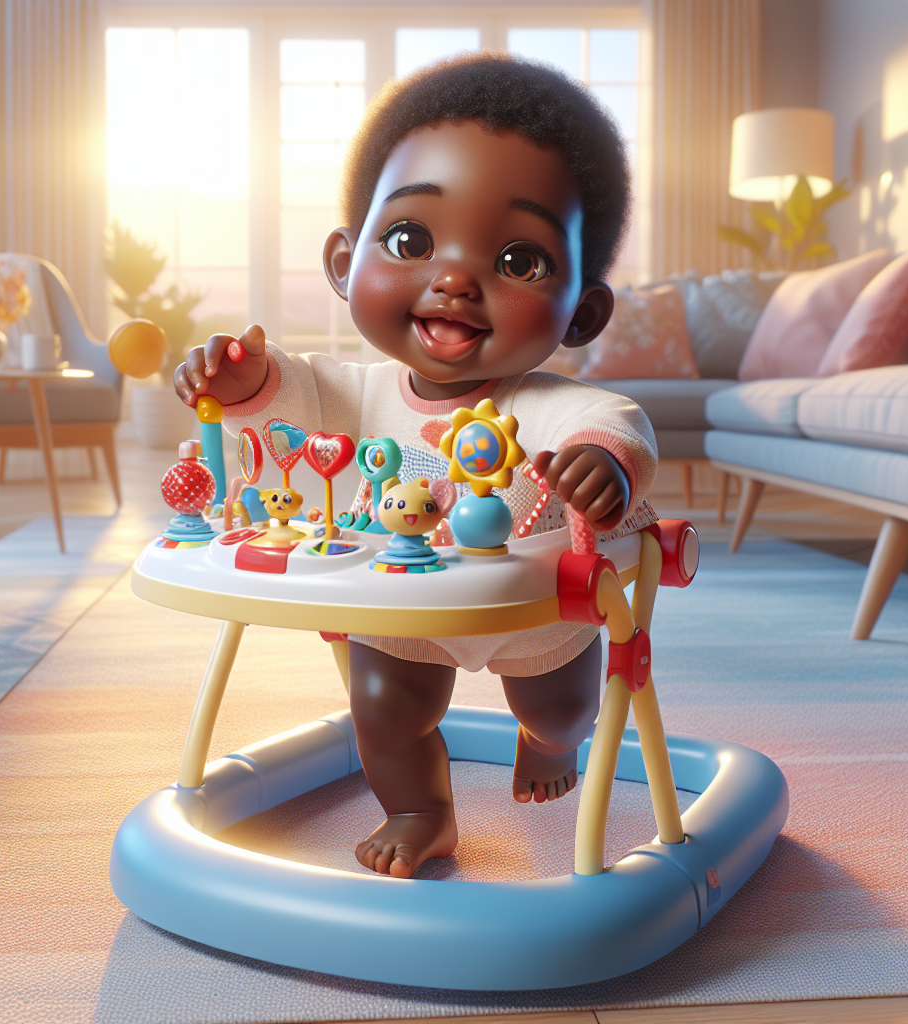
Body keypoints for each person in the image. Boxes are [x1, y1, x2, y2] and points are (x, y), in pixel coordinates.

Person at [174, 52, 658, 879]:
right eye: (410, 239)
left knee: (561, 706)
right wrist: (242, 380)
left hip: (535, 617)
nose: (455, 278)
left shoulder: (544, 403)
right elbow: (287, 393)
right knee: (382, 712)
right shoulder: (349, 393)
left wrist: (597, 466)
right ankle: (419, 809)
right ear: (342, 262)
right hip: (396, 612)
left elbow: (611, 423)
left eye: (518, 262)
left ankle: (545, 743)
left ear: (581, 311)